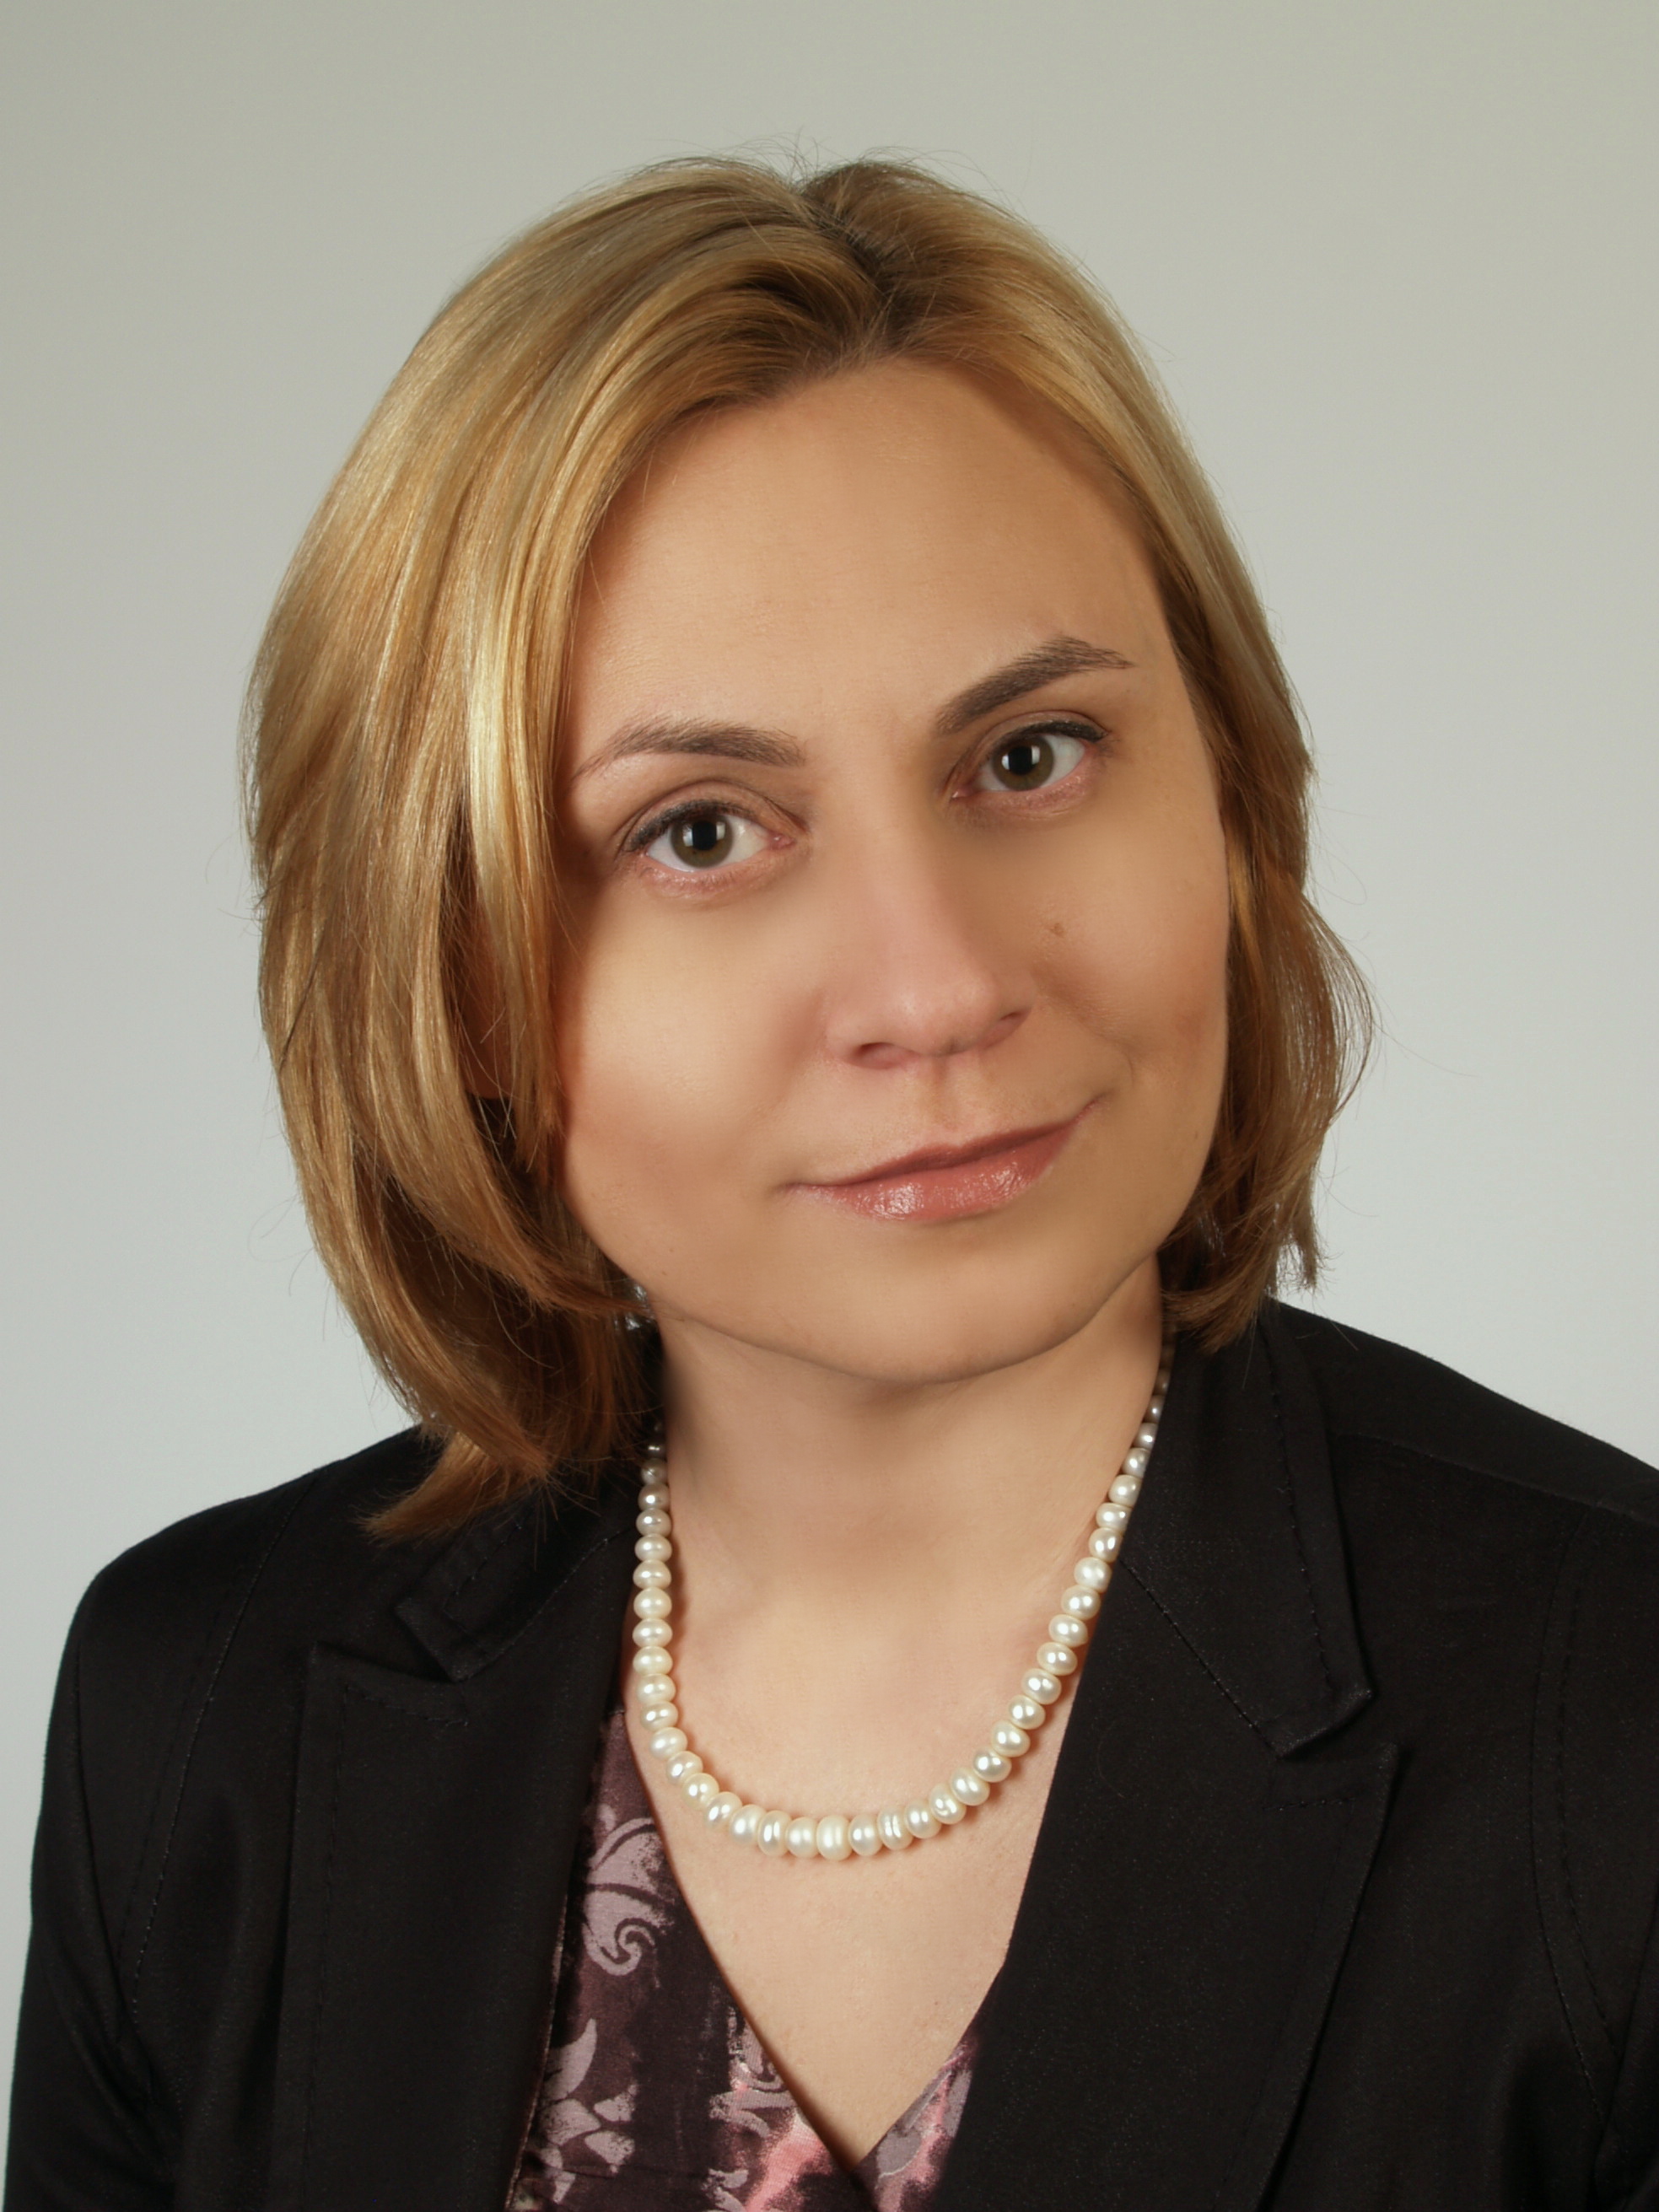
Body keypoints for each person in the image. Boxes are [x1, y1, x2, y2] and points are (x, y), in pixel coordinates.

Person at [8, 154, 1658, 2212]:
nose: (938, 986)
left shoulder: (1622, 1722)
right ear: (455, 979)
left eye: (1031, 755)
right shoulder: (193, 1714)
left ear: (1231, 804)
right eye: (700, 831)